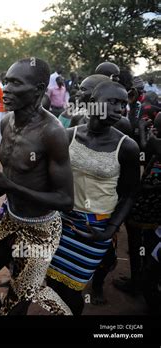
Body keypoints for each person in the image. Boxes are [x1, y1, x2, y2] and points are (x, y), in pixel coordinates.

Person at [0, 58, 74, 316]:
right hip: (11, 220)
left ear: (38, 90)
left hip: (41, 230)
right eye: (6, 81)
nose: (7, 89)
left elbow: (65, 200)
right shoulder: (7, 123)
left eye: (16, 83)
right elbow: (9, 179)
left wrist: (11, 187)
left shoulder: (52, 132)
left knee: (17, 306)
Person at [46, 81, 140, 315]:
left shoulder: (127, 146)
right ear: (91, 104)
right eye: (113, 102)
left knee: (73, 289)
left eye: (122, 103)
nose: (121, 108)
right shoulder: (67, 136)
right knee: (54, 284)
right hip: (60, 222)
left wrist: (110, 230)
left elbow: (130, 193)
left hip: (94, 227)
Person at [112, 113, 161, 302]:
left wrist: (141, 129)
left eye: (157, 129)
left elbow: (147, 146)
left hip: (145, 209)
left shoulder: (156, 145)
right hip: (150, 209)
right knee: (146, 245)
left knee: (138, 244)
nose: (154, 132)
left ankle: (139, 283)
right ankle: (140, 279)